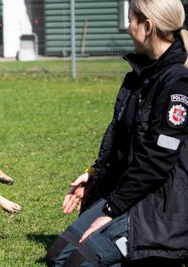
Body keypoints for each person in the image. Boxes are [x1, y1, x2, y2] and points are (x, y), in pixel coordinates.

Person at [45, 0, 188, 266]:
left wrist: (110, 211)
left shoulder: (177, 84)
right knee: (58, 257)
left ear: (147, 26)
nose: (127, 27)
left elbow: (157, 163)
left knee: (79, 263)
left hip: (161, 204)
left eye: (130, 20)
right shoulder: (137, 78)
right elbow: (121, 143)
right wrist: (93, 173)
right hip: (129, 191)